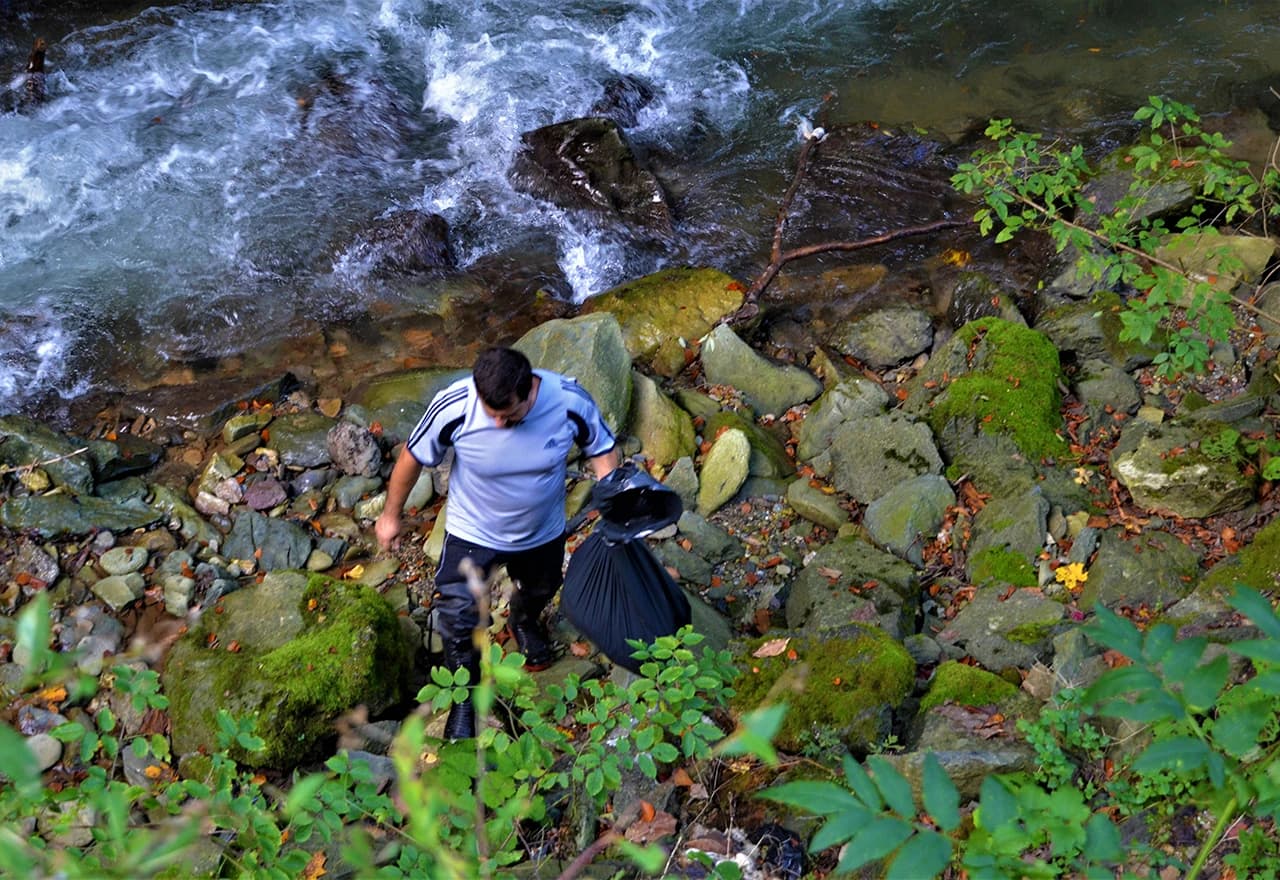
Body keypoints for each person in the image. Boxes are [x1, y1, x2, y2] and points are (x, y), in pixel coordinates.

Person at [376, 346, 618, 738]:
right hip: (473, 532)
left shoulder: (568, 402)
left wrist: (615, 497)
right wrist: (390, 515)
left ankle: (523, 620)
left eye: (511, 415)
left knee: (541, 587)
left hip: (541, 530)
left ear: (530, 391)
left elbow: (602, 450)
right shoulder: (454, 406)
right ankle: (464, 697)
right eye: (492, 415)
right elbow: (411, 456)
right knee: (457, 616)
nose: (500, 424)